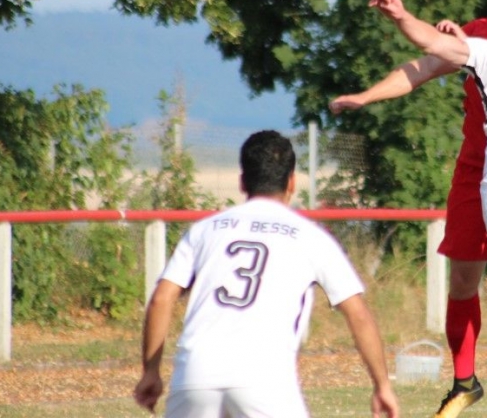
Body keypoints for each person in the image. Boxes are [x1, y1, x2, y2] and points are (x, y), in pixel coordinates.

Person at [329, 0, 487, 418]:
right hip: (475, 175)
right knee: (463, 279)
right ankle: (466, 382)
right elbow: (422, 65)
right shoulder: (479, 33)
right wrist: (366, 96)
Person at [132, 130, 400, 418]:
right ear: (292, 182)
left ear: (242, 181)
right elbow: (358, 314)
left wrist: (151, 371)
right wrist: (382, 384)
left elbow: (162, 299)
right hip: (264, 378)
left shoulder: (205, 229)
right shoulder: (311, 236)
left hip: (195, 376)